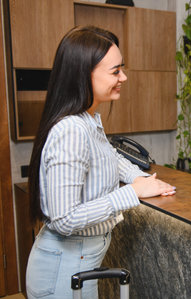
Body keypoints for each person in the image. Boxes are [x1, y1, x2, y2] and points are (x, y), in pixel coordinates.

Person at [26, 26, 176, 299]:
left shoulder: (88, 118)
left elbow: (108, 156)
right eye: (115, 71)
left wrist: (137, 178)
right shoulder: (71, 130)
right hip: (63, 273)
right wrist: (131, 193)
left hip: (78, 267)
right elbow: (64, 219)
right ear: (84, 74)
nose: (124, 77)